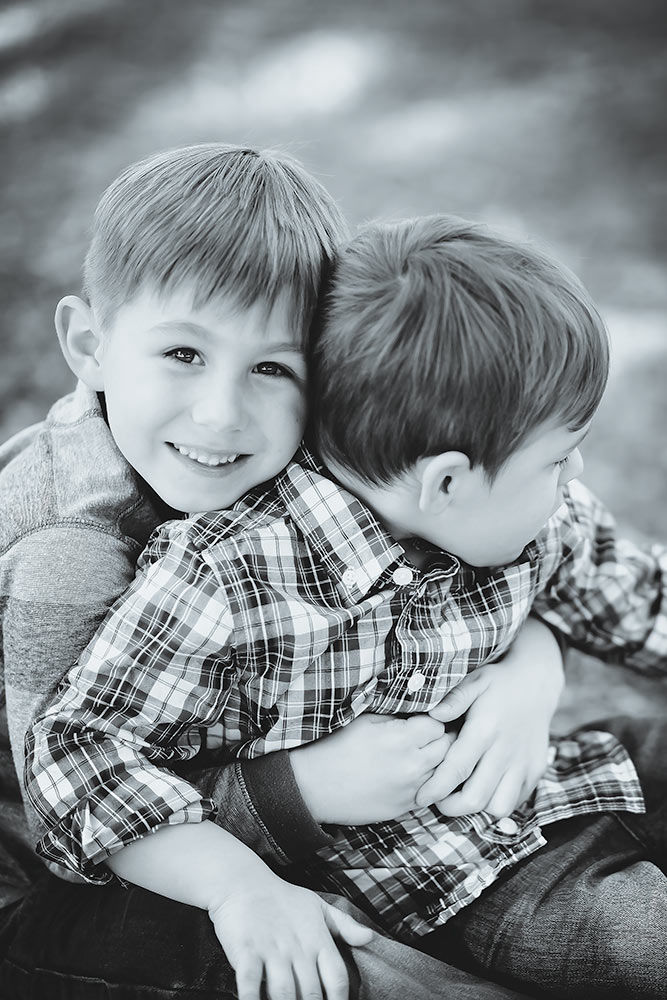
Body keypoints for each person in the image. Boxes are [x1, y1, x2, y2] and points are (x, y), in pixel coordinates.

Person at [26, 213, 667, 997]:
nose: (574, 478)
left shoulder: (517, 510)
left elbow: (636, 599)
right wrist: (238, 884)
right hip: (465, 883)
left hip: (569, 776)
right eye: (559, 461)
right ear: (446, 483)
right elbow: (79, 763)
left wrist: (536, 665)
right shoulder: (224, 578)